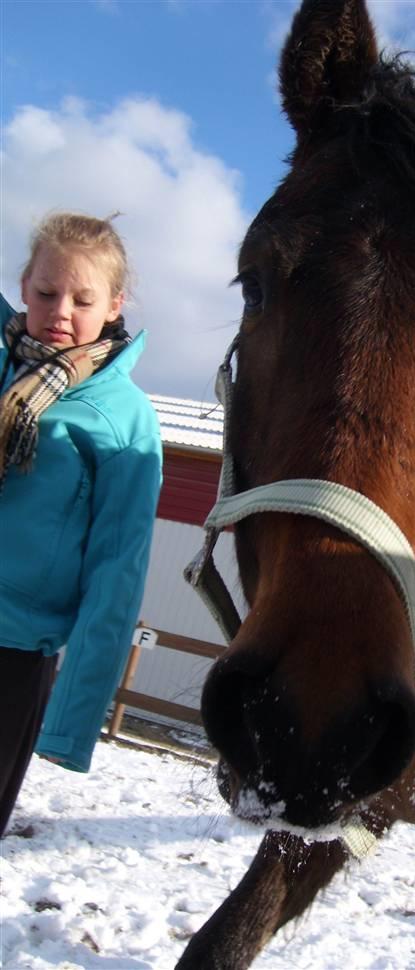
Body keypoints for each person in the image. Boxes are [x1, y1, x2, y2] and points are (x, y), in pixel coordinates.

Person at [0, 212, 162, 835]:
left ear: (115, 305)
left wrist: (72, 720)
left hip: (11, 660)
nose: (60, 310)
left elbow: (117, 573)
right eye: (46, 292)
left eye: (83, 298)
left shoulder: (124, 419)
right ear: (23, 285)